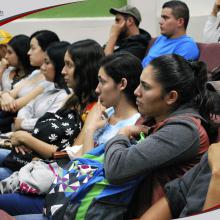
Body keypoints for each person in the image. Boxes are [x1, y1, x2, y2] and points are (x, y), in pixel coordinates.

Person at [0, 52, 142, 218]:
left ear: (122, 84)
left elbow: (87, 168)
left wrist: (89, 128)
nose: (97, 89)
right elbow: (75, 150)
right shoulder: (107, 111)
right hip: (64, 186)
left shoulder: (131, 127)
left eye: (103, 82)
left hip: (78, 199)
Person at [104, 54, 216, 218]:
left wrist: (123, 133)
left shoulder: (184, 130)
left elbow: (116, 168)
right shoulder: (153, 116)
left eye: (145, 87)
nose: (136, 92)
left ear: (171, 97)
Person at [0, 30, 60, 131]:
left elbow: (14, 105)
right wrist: (5, 94)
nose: (28, 52)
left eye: (32, 48)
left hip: (21, 125)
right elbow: (10, 94)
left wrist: (5, 95)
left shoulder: (49, 80)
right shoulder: (35, 73)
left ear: (47, 50)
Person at [142, 0, 199, 68]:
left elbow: (170, 74)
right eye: (161, 17)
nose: (160, 22)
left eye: (165, 18)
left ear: (180, 22)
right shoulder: (161, 38)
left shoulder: (187, 46)